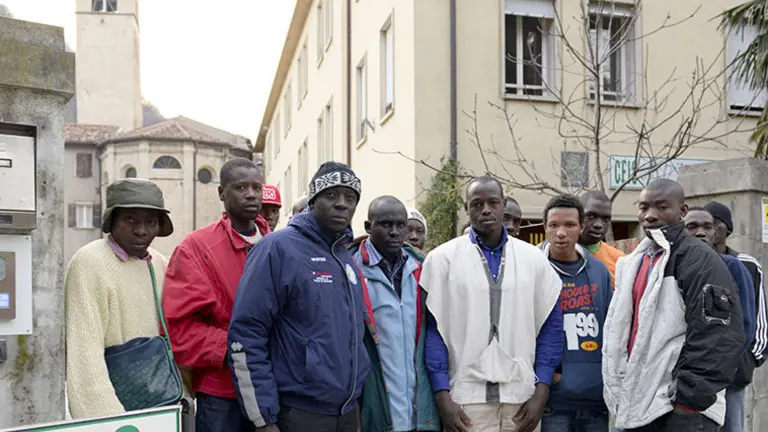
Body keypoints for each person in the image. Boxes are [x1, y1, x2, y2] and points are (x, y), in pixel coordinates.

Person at [228, 162, 370, 432]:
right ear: (312, 201)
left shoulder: (345, 257)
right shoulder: (277, 249)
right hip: (299, 413)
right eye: (331, 195)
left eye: (350, 198)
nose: (342, 204)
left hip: (347, 413)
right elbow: (247, 334)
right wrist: (263, 418)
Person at [422, 176, 563, 432]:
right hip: (465, 399)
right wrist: (442, 394)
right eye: (476, 204)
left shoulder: (534, 260)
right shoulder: (442, 259)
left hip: (521, 397)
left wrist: (541, 390)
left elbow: (550, 329)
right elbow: (434, 332)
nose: (485, 209)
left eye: (492, 202)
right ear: (466, 209)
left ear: (503, 205)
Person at [603, 179, 745, 432]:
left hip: (681, 409)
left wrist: (688, 403)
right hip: (639, 406)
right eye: (644, 207)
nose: (650, 215)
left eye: (661, 207)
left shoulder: (698, 259)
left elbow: (718, 336)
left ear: (682, 211)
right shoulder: (635, 260)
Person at [162, 158, 271, 432]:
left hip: (274, 388)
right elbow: (181, 328)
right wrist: (240, 350)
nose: (250, 194)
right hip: (222, 394)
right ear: (221, 193)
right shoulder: (195, 249)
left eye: (256, 187)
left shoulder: (277, 245)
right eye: (240, 187)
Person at [65, 178, 174, 418]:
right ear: (112, 221)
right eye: (130, 220)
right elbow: (84, 356)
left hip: (161, 404)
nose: (141, 230)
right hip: (116, 410)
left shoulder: (159, 263)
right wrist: (111, 421)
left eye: (151, 222)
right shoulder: (89, 262)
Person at [349, 196, 440, 432]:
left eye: (401, 225)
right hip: (375, 401)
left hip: (418, 408)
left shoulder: (422, 268)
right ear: (369, 227)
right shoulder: (351, 269)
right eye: (385, 224)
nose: (395, 232)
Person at [538, 195, 612, 432]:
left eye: (569, 225)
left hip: (596, 399)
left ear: (581, 227)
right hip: (554, 402)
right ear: (545, 228)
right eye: (554, 225)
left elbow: (611, 327)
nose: (561, 233)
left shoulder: (599, 270)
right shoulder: (533, 268)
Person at [702, 201, 768, 432]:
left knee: (733, 426)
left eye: (712, 224)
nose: (704, 230)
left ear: (726, 229)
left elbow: (758, 316)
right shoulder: (692, 263)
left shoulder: (746, 265)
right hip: (700, 370)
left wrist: (749, 359)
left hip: (734, 369)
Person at [578, 191, 624, 282]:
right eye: (590, 216)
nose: (599, 225)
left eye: (606, 219)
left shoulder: (620, 261)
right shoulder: (546, 255)